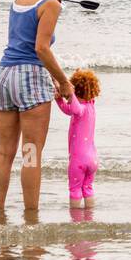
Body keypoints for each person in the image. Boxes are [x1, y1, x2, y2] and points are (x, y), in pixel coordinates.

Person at [0, 0, 82, 212]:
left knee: (4, 152)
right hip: (30, 78)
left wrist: (52, 76)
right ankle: (31, 217)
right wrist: (63, 82)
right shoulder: (51, 4)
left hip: (5, 75)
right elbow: (41, 48)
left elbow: (23, 44)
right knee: (31, 153)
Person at [56, 69, 101, 209]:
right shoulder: (91, 106)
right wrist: (59, 98)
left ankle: (76, 219)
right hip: (93, 159)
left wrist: (69, 94)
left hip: (79, 160)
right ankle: (89, 216)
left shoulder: (80, 109)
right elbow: (68, 109)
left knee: (75, 190)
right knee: (88, 188)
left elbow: (74, 108)